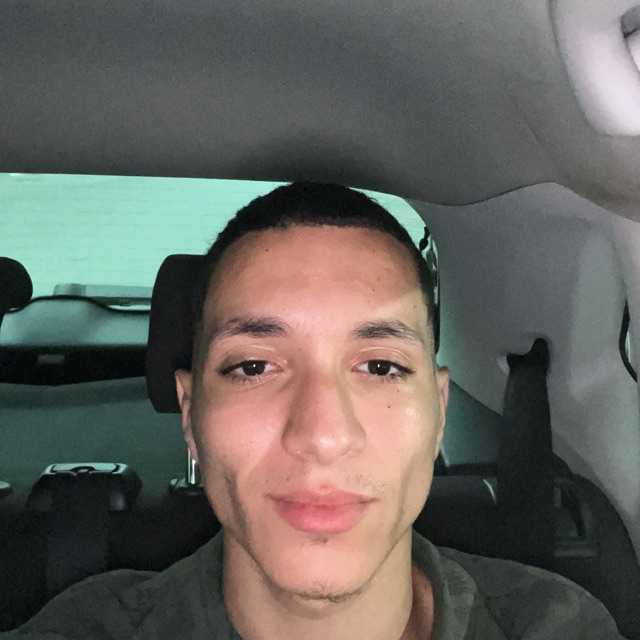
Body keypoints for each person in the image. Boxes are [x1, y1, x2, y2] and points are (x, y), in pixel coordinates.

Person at [5, 182, 625, 639]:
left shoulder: (556, 624)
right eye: (254, 367)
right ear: (191, 415)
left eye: (380, 366)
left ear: (437, 411)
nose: (323, 435)